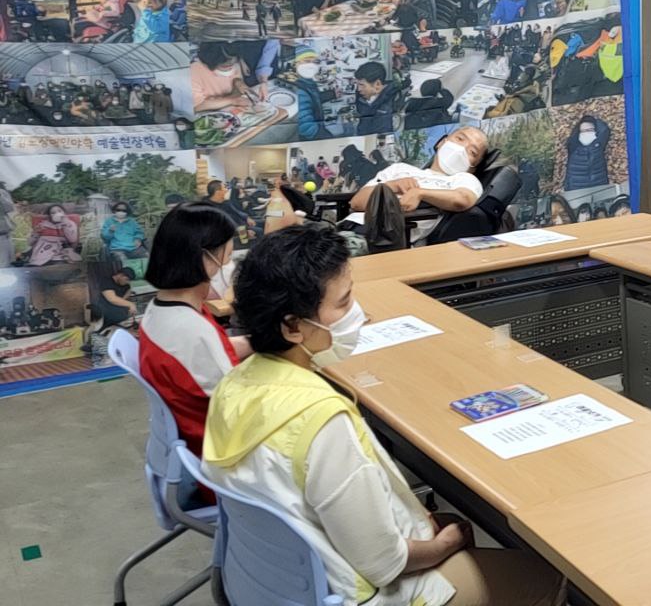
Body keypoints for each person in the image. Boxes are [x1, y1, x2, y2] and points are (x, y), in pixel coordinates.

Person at [201, 224, 566, 606]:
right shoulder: (321, 422)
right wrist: (445, 544)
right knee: (545, 574)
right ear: (293, 326)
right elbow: (384, 564)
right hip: (357, 593)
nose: (358, 313)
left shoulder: (234, 384)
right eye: (343, 303)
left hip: (263, 586)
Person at [139, 203, 250, 464]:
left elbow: (210, 354)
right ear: (204, 258)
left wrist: (258, 342)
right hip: (222, 461)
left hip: (196, 442)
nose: (228, 264)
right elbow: (241, 412)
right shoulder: (191, 331)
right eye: (227, 255)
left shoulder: (161, 311)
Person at [348, 128, 487, 238]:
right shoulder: (399, 168)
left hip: (382, 239)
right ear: (441, 142)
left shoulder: (463, 179)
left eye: (472, 152)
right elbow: (356, 203)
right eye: (460, 138)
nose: (462, 149)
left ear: (473, 167)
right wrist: (393, 186)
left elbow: (462, 199)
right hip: (348, 228)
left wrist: (420, 193)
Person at [191, 42, 254, 112]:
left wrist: (238, 81)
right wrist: (232, 100)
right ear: (211, 59)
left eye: (234, 62)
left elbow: (235, 78)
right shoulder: (195, 70)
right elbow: (197, 105)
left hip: (230, 108)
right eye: (225, 65)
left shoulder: (235, 62)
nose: (231, 65)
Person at [564, 115, 610, 190]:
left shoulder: (598, 146)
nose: (586, 133)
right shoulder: (573, 147)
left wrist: (593, 119)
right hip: (577, 190)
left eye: (590, 130)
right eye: (583, 131)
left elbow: (604, 130)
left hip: (599, 187)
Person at [354, 61, 398, 135]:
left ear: (377, 84)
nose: (358, 89)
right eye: (357, 84)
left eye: (362, 85)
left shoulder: (389, 106)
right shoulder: (361, 95)